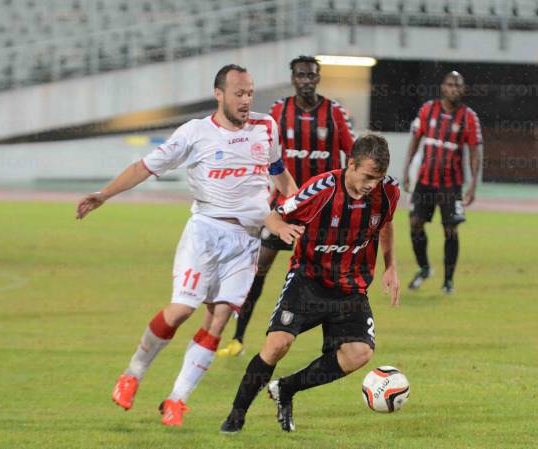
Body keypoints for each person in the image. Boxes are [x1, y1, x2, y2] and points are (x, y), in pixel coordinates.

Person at [75, 64, 297, 427]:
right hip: (206, 233)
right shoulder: (194, 134)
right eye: (238, 94)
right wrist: (104, 194)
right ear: (219, 94)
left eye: (250, 93)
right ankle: (132, 373)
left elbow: (278, 172)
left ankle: (177, 399)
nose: (245, 100)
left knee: (220, 317)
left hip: (247, 241)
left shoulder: (265, 127)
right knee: (181, 310)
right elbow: (144, 166)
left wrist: (297, 201)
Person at [220, 134, 401, 433]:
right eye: (368, 176)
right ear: (351, 164)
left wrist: (391, 265)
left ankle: (286, 389)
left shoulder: (388, 192)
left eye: (378, 178)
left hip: (350, 288)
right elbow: (274, 215)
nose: (372, 184)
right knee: (278, 344)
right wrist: (283, 230)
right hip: (309, 280)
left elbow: (386, 223)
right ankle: (236, 416)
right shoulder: (321, 190)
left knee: (359, 353)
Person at [218, 55, 355, 357]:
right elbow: (259, 151)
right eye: (301, 75)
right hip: (285, 208)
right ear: (293, 78)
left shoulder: (335, 113)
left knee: (330, 276)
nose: (306, 80)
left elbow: (353, 158)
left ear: (318, 78)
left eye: (311, 75)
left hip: (323, 212)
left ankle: (334, 342)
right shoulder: (279, 112)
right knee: (259, 270)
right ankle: (238, 338)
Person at [402, 71, 482, 294]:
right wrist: (407, 171)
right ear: (443, 87)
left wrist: (473, 184)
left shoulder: (468, 117)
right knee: (415, 222)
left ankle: (448, 280)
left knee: (451, 230)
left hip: (451, 185)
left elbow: (476, 151)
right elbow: (415, 140)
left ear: (463, 89)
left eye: (458, 85)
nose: (454, 88)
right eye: (450, 84)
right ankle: (424, 268)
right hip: (425, 181)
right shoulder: (428, 110)